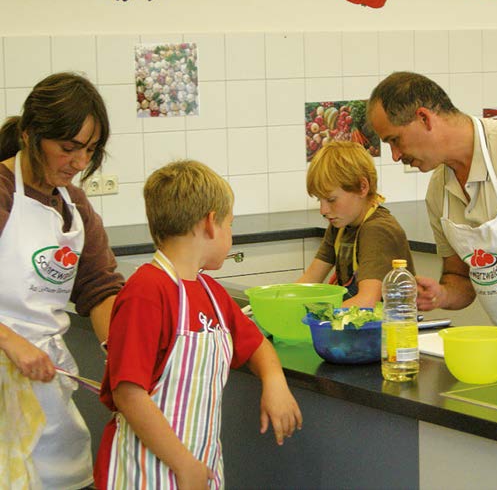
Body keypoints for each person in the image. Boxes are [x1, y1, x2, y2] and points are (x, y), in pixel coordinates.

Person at [94, 159, 303, 489]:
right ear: (210, 224)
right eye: (230, 224)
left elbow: (256, 344)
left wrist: (274, 380)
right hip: (145, 471)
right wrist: (183, 463)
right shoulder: (146, 292)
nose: (231, 234)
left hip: (198, 466)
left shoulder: (212, 295)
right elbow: (129, 393)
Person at [367, 71, 497, 344]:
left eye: (394, 140)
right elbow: (461, 280)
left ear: (424, 118)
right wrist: (440, 295)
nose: (395, 156)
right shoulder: (438, 192)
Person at [0, 72, 124, 488]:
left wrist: (118, 355)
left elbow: (100, 288)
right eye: (67, 148)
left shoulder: (75, 206)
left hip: (45, 384)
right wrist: (10, 340)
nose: (78, 162)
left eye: (89, 150)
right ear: (29, 134)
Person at [297, 140, 415, 307]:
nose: (323, 210)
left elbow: (366, 301)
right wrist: (280, 302)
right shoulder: (341, 224)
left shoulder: (377, 230)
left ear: (362, 187)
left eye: (331, 199)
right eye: (319, 200)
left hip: (388, 329)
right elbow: (309, 282)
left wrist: (319, 316)